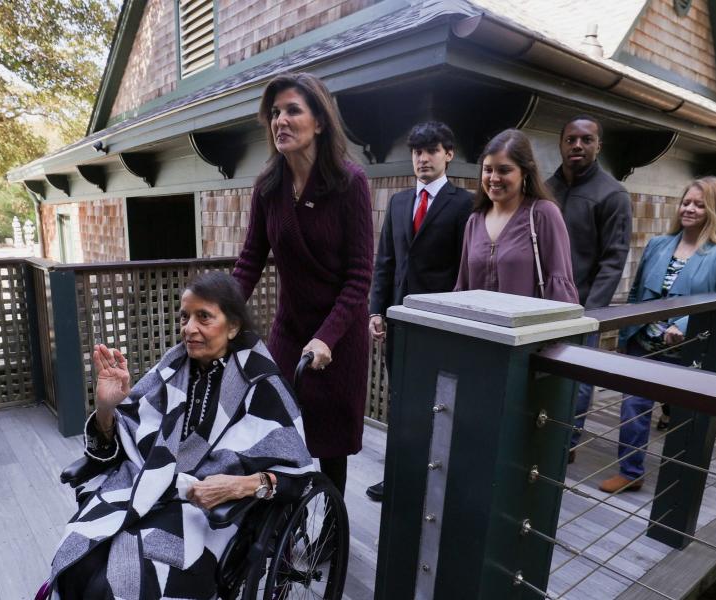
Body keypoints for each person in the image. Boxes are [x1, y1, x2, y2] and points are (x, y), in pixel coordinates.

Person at [43, 272, 314, 600]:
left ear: (233, 326)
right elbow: (122, 442)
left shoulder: (262, 385)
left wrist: (238, 485)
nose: (189, 328)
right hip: (144, 488)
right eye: (185, 317)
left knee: (115, 588)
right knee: (75, 565)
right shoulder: (171, 370)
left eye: (204, 317)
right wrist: (106, 409)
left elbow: (295, 479)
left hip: (208, 512)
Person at [233, 72, 373, 497]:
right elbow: (250, 260)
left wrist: (327, 338)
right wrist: (218, 312)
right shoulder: (267, 187)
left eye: (293, 110)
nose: (281, 121)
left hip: (338, 337)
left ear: (319, 121)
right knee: (278, 434)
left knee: (330, 449)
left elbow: (359, 276)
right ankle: (287, 526)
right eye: (275, 113)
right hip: (290, 332)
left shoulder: (350, 184)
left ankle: (329, 533)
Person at [598, 177, 716, 494]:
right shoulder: (659, 244)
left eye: (699, 204)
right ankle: (630, 472)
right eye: (686, 202)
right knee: (632, 407)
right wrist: (627, 335)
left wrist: (682, 326)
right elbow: (637, 294)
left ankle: (681, 484)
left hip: (693, 350)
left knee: (686, 418)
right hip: (645, 343)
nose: (690, 209)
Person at [365, 121, 473, 502]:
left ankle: (436, 484)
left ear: (448, 154)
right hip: (398, 325)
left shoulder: (464, 204)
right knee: (402, 404)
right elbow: (385, 263)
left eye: (431, 150)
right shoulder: (397, 203)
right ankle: (398, 476)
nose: (422, 158)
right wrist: (376, 311)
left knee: (439, 406)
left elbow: (465, 269)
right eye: (417, 151)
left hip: (440, 326)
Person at [546, 114, 632, 463]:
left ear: (599, 145)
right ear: (562, 144)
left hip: (582, 308)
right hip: (538, 306)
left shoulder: (612, 194)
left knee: (577, 383)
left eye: (586, 139)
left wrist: (590, 312)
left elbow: (614, 259)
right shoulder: (545, 188)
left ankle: (565, 445)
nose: (578, 145)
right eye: (571, 139)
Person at [455, 128, 578, 303]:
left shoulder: (542, 214)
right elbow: (464, 286)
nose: (494, 178)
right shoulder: (474, 221)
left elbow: (559, 285)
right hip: (480, 328)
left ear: (525, 172)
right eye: (488, 169)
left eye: (504, 170)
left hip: (527, 328)